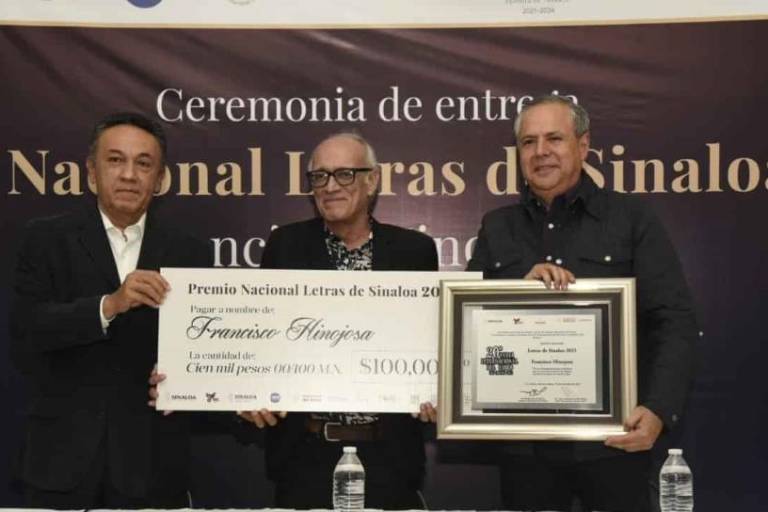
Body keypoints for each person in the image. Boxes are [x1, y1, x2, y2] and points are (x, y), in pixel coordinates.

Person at [468, 95, 698, 512]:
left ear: (584, 145)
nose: (541, 152)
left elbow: (674, 319)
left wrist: (658, 409)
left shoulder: (630, 218)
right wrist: (517, 295)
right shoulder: (497, 227)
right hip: (525, 450)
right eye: (528, 142)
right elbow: (469, 330)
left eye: (554, 138)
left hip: (614, 443)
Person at [10, 112, 209, 509]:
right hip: (61, 464)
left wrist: (186, 376)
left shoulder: (190, 252)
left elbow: (203, 347)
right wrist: (108, 305)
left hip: (152, 466)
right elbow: (27, 332)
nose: (129, 175)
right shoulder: (44, 239)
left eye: (144, 164)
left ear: (160, 179)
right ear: (91, 172)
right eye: (116, 160)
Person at [242, 132, 439, 509]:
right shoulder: (285, 246)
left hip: (389, 456)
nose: (330, 186)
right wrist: (249, 390)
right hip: (306, 456)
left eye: (344, 174)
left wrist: (435, 389)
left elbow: (430, 340)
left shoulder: (414, 251)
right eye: (319, 176)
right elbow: (263, 342)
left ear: (372, 180)